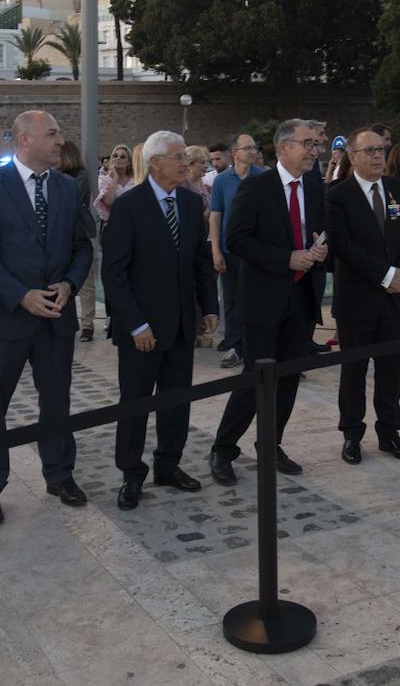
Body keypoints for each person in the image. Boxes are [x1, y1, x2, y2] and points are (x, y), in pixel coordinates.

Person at [0, 111, 92, 524]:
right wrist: (21, 295)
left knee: (56, 400)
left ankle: (59, 474)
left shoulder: (69, 188)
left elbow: (83, 247)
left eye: (60, 132)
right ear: (24, 140)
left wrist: (70, 284)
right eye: (52, 134)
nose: (61, 140)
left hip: (56, 316)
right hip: (5, 317)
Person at [100, 131, 218, 509]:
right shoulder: (128, 205)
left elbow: (200, 261)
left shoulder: (188, 200)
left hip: (182, 326)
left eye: (186, 156)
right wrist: (136, 325)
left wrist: (209, 307)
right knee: (134, 405)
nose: (186, 163)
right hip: (141, 332)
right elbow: (114, 273)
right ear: (155, 163)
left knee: (176, 402)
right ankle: (131, 474)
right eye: (178, 157)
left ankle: (169, 465)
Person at [209, 119, 329, 485]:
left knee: (289, 377)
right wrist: (286, 258)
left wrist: (321, 248)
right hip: (263, 300)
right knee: (255, 380)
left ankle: (270, 443)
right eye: (306, 143)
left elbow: (319, 229)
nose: (313, 150)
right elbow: (238, 239)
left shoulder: (314, 185)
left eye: (315, 144)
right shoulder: (256, 187)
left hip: (302, 296)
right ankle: (223, 449)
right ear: (283, 148)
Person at [327, 127, 400, 464]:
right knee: (354, 371)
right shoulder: (338, 195)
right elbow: (343, 245)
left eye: (381, 149)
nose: (378, 155)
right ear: (352, 157)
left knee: (392, 368)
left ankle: (390, 433)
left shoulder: (398, 188)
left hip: (395, 298)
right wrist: (385, 274)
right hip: (357, 300)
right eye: (370, 151)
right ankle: (352, 434)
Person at [209, 133, 265, 370]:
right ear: (235, 152)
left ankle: (256, 345)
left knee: (256, 299)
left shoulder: (264, 177)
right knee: (231, 299)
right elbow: (215, 216)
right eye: (248, 148)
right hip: (229, 250)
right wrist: (215, 251)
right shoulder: (222, 181)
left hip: (257, 251)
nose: (253, 151)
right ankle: (234, 345)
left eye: (255, 147)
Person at [60, 140, 99, 343]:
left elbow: (69, 198)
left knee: (86, 282)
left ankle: (87, 324)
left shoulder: (80, 176)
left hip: (82, 232)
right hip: (62, 234)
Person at [94, 143, 134, 225]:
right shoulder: (103, 179)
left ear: (129, 162)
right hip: (112, 224)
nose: (118, 158)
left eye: (122, 157)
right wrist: (114, 179)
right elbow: (108, 202)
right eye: (115, 156)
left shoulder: (135, 181)